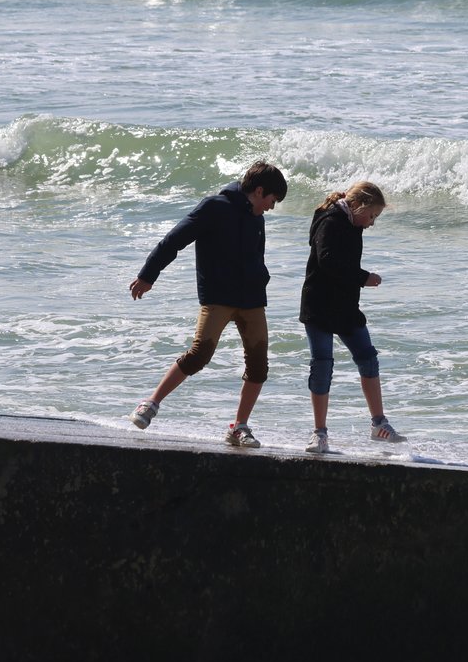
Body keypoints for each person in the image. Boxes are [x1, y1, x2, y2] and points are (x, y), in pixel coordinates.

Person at [127, 161, 288, 447]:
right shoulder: (214, 207)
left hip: (252, 300)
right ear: (260, 190)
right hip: (218, 298)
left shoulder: (256, 218)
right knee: (199, 354)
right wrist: (147, 275)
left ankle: (239, 427)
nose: (271, 208)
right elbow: (172, 241)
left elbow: (256, 259)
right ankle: (150, 404)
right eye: (272, 200)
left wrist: (261, 279)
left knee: (259, 366)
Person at [298, 180, 402, 454]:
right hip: (319, 307)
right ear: (357, 206)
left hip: (345, 307)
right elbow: (327, 261)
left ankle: (379, 424)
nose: (371, 223)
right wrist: (363, 277)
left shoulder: (353, 224)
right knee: (322, 364)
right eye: (372, 216)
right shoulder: (331, 221)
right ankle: (319, 433)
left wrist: (358, 279)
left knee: (368, 357)